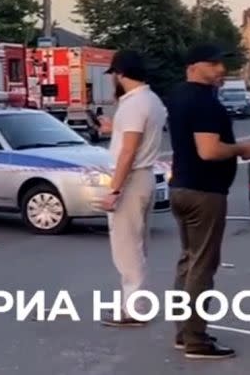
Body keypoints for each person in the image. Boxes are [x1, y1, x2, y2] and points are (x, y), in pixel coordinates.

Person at [165, 43, 250, 359]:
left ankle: (183, 332)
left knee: (188, 261)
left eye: (223, 63)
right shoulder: (205, 102)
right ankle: (196, 339)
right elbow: (209, 151)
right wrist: (242, 149)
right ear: (194, 65)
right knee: (202, 266)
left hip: (181, 187)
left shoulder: (178, 96)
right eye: (214, 63)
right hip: (204, 192)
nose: (221, 69)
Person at [97, 51, 168, 327]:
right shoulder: (152, 101)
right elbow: (134, 137)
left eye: (114, 75)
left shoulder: (134, 104)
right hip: (144, 176)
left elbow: (128, 150)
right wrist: (113, 128)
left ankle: (135, 309)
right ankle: (134, 305)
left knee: (126, 248)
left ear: (120, 74)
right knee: (137, 245)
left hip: (131, 179)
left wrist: (114, 190)